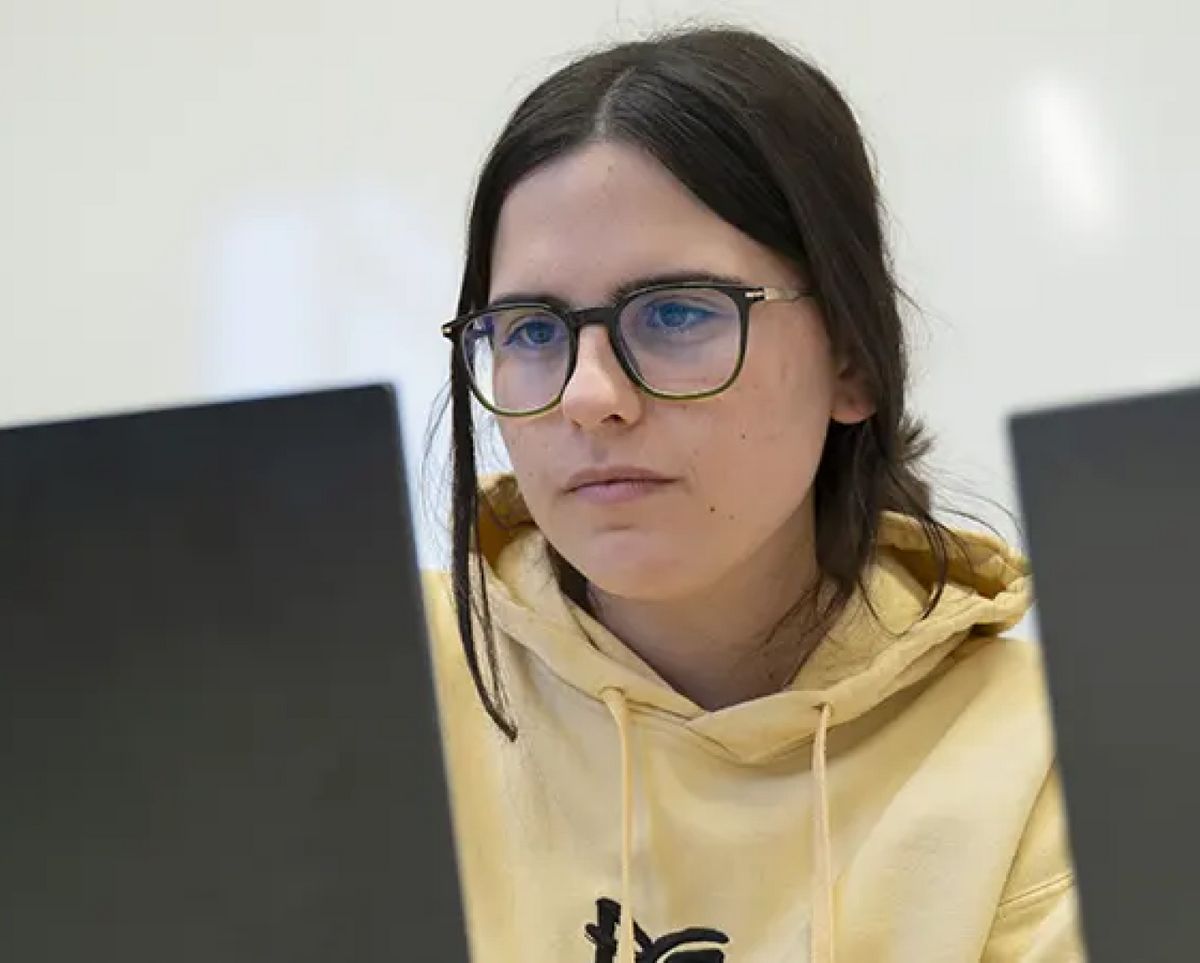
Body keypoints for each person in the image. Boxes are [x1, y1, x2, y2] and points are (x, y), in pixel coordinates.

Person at [421, 24, 1084, 963]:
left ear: (852, 358)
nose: (590, 396)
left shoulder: (1040, 758)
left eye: (677, 313)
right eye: (531, 330)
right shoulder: (377, 681)